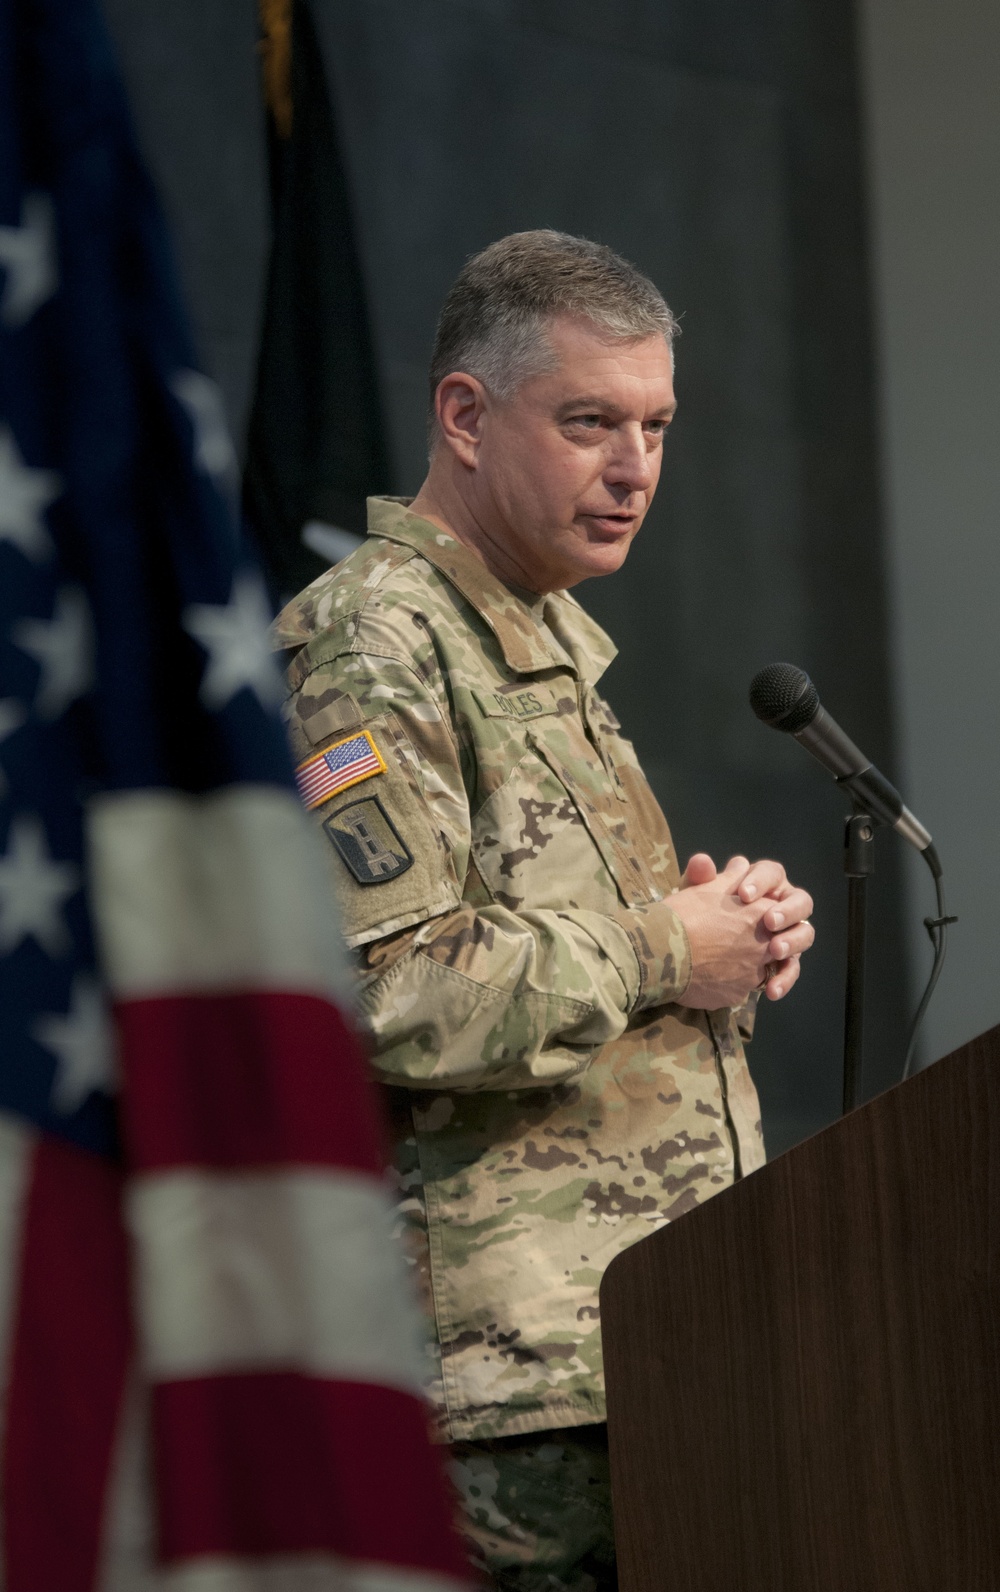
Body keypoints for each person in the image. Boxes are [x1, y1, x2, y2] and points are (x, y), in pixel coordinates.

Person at [272, 230, 815, 1591]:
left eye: (656, 427)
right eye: (589, 422)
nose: (634, 469)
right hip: (507, 1396)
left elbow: (569, 945)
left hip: (641, 1355)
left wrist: (721, 940)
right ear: (465, 415)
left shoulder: (539, 633)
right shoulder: (376, 640)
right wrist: (657, 946)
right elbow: (391, 988)